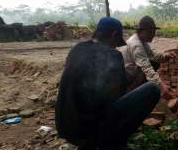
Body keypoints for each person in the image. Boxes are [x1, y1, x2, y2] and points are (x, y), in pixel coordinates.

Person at [55, 17, 160, 150]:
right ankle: (113, 142)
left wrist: (120, 74)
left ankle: (91, 142)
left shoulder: (77, 48)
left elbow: (88, 81)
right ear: (114, 35)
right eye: (117, 42)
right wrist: (129, 75)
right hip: (86, 130)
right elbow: (116, 95)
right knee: (152, 89)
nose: (116, 46)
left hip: (64, 126)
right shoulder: (112, 55)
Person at [119, 16, 176, 96]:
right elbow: (146, 67)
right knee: (151, 68)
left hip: (131, 72)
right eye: (150, 32)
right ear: (141, 31)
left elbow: (152, 55)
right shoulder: (136, 44)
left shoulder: (142, 41)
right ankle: (132, 93)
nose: (152, 35)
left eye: (153, 32)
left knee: (154, 63)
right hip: (125, 78)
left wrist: (165, 56)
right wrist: (161, 85)